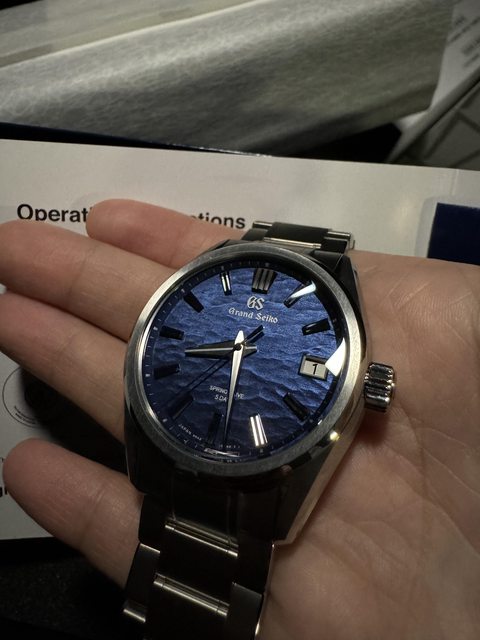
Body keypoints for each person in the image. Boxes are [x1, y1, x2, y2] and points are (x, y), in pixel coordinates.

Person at [0, 199, 479, 639]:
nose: (237, 349)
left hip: (259, 473)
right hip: (169, 443)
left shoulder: (340, 344)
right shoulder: (197, 300)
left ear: (368, 385)